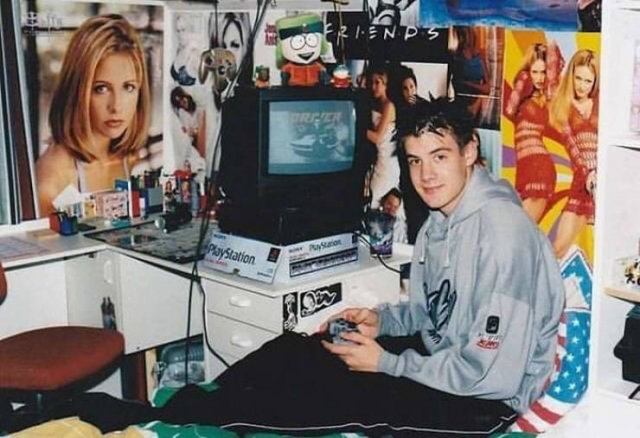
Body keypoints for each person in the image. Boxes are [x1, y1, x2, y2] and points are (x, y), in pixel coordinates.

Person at [50, 100, 564, 437]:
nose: (426, 174)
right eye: (414, 160)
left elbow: (489, 376)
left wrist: (386, 364)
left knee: (329, 397)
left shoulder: (502, 236)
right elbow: (434, 315)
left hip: (484, 403)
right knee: (298, 350)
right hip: (444, 363)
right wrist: (380, 322)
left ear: (470, 153)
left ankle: (158, 422)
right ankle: (196, 401)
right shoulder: (441, 217)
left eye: (439, 156)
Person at [36, 14, 150, 217]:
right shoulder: (52, 179)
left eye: (128, 87)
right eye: (101, 89)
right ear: (77, 90)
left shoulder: (136, 161)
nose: (116, 106)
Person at [504, 42, 563, 223]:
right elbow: (509, 110)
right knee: (520, 229)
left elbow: (557, 65)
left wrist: (550, 51)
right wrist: (523, 78)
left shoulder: (547, 99)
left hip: (540, 168)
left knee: (522, 230)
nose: (539, 77)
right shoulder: (522, 94)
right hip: (524, 167)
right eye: (535, 72)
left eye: (543, 72)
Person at [549, 49, 599, 259]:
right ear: (571, 76)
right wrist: (588, 174)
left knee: (603, 246)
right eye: (578, 78)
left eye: (588, 81)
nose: (582, 85)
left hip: (604, 180)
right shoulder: (564, 106)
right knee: (558, 248)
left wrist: (599, 173)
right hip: (582, 181)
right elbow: (573, 149)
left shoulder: (602, 105)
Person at [366, 65, 401, 210]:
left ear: (385, 84)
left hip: (388, 161)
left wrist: (356, 129)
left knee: (376, 196)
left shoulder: (389, 106)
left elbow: (377, 138)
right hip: (379, 158)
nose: (373, 86)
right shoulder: (374, 104)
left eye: (377, 82)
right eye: (371, 82)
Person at [450, 26, 490, 123]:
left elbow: (487, 89)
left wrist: (468, 84)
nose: (464, 39)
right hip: (460, 103)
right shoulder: (455, 57)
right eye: (461, 35)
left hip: (476, 103)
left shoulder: (480, 55)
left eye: (466, 35)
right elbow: (455, 83)